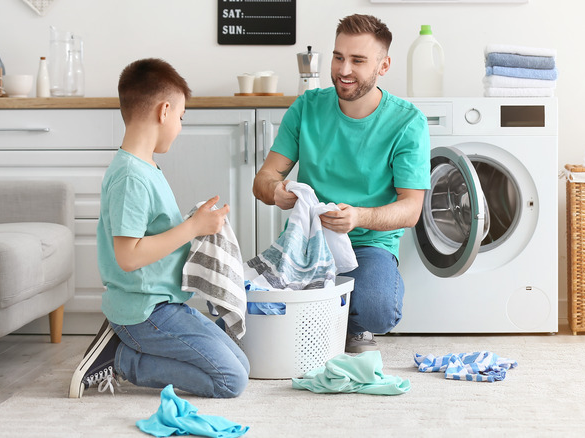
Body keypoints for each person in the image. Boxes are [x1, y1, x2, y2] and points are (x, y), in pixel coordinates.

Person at [68, 58, 250, 398]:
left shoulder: (146, 166)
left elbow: (151, 237)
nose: (180, 126)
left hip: (163, 303)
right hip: (144, 310)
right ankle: (120, 358)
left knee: (241, 364)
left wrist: (197, 226)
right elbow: (128, 256)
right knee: (231, 381)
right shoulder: (130, 176)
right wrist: (193, 227)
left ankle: (125, 347)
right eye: (181, 117)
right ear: (164, 111)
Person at [253, 14, 431, 353]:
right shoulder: (307, 107)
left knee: (379, 309)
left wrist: (358, 217)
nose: (343, 69)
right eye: (338, 57)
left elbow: (411, 209)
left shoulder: (407, 122)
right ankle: (331, 316)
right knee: (262, 309)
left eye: (358, 60)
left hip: (368, 245)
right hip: (307, 238)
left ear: (384, 65)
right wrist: (276, 191)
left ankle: (343, 318)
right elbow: (264, 178)